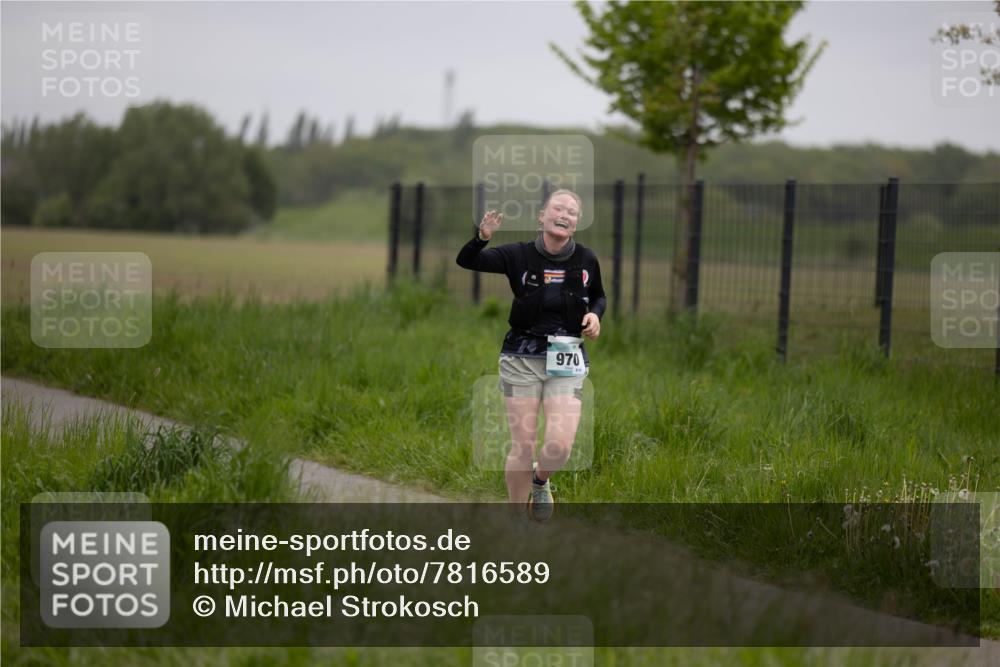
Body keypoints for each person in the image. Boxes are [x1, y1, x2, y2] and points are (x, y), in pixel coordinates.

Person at [456, 189, 606, 521]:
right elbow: (467, 260)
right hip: (521, 357)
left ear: (576, 223)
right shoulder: (518, 255)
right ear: (542, 216)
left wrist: (595, 316)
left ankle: (541, 482)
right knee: (523, 445)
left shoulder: (586, 259)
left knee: (560, 446)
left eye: (572, 211)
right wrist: (482, 238)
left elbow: (598, 296)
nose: (565, 214)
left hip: (566, 356)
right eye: (558, 208)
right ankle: (515, 521)